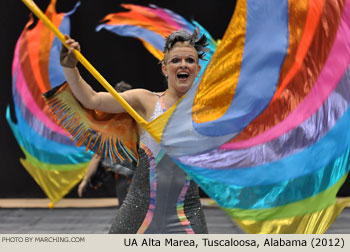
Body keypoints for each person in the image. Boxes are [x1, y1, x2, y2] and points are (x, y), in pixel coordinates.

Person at [60, 28, 208, 233]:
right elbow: (92, 99)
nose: (183, 64)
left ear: (197, 68)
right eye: (175, 60)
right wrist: (70, 67)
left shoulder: (206, 110)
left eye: (189, 60)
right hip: (138, 213)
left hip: (187, 216)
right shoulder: (145, 101)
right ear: (165, 68)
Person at [77, 81, 134, 207]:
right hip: (127, 178)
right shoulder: (111, 127)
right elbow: (97, 156)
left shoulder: (133, 123)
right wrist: (85, 179)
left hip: (135, 177)